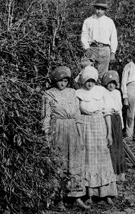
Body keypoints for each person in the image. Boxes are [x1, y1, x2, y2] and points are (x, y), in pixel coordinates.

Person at [42, 66, 88, 210]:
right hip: (58, 129)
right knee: (59, 162)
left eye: (65, 81)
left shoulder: (72, 93)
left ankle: (76, 197)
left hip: (73, 129)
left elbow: (77, 115)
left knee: (75, 161)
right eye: (60, 81)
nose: (63, 84)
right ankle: (58, 199)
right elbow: (45, 117)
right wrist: (47, 135)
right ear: (55, 81)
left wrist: (80, 134)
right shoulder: (48, 94)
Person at [75, 66, 118, 205]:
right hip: (85, 126)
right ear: (83, 81)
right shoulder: (78, 93)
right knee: (88, 159)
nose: (90, 84)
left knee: (102, 158)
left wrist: (109, 133)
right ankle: (89, 194)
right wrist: (79, 133)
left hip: (100, 124)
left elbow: (107, 113)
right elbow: (76, 115)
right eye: (87, 81)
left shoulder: (101, 91)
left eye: (92, 81)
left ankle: (106, 193)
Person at [80, 0, 118, 79]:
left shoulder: (109, 21)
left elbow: (113, 37)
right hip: (92, 48)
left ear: (105, 10)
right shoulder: (88, 21)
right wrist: (87, 48)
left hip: (104, 49)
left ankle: (100, 89)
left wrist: (113, 52)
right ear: (94, 9)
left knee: (102, 74)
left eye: (102, 9)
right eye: (97, 9)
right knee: (87, 71)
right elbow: (84, 35)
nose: (99, 11)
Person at [101, 71, 126, 182]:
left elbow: (119, 109)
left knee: (119, 146)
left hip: (117, 119)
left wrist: (122, 124)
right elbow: (105, 110)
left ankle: (121, 173)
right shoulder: (103, 92)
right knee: (111, 146)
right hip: (108, 119)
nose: (111, 85)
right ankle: (113, 173)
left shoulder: (117, 93)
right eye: (109, 83)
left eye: (113, 83)